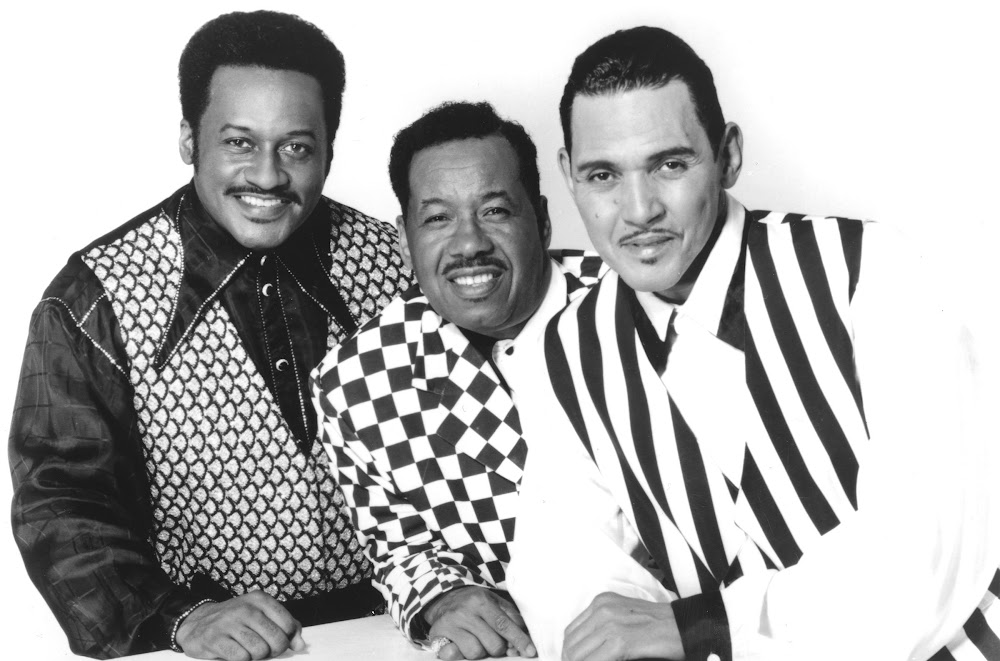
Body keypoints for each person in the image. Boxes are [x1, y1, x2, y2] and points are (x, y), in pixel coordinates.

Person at [505, 26, 1000, 661]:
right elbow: (565, 569)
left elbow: (929, 549)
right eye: (603, 174)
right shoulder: (561, 353)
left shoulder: (865, 270)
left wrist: (703, 628)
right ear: (568, 176)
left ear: (729, 155)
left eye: (670, 164)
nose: (638, 209)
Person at [8, 10, 411, 660]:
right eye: (240, 142)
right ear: (189, 139)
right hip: (202, 649)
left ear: (331, 147)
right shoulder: (94, 296)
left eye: (297, 147)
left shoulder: (399, 264)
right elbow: (61, 500)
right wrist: (179, 617)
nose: (268, 176)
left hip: (398, 635)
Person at [311, 101, 605, 661]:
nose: (469, 243)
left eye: (494, 210)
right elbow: (400, 551)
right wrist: (445, 599)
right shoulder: (356, 380)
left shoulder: (631, 304)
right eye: (438, 219)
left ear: (542, 219)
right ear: (405, 239)